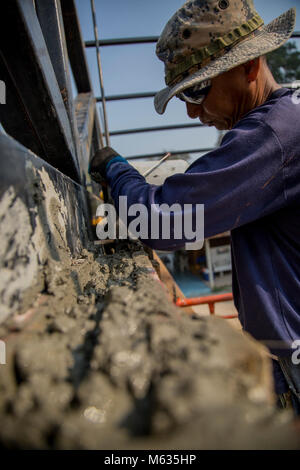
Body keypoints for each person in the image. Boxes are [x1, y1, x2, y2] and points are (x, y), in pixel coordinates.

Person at [89, 0, 300, 414]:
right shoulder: (288, 118)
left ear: (250, 65)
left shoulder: (272, 136)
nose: (191, 111)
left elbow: (163, 222)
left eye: (199, 90)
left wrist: (115, 170)